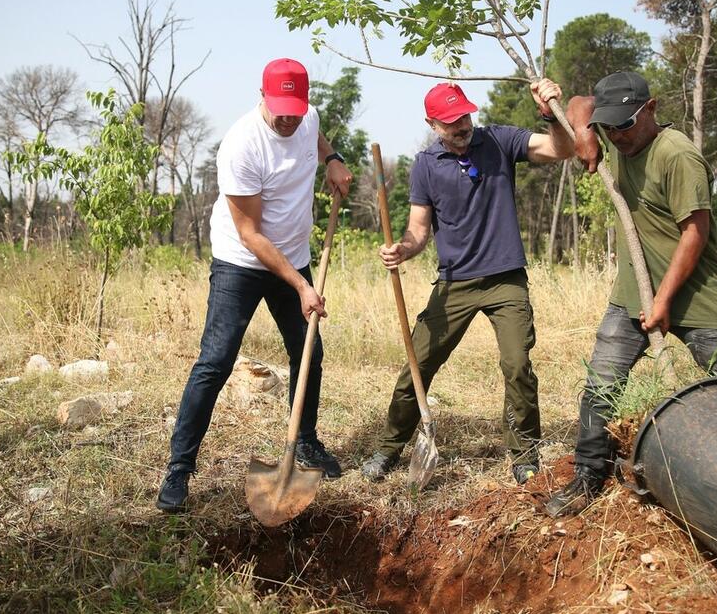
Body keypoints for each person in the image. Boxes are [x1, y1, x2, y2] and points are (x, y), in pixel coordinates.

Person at [545, 71, 717, 517]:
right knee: (601, 385)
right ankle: (587, 477)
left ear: (652, 108)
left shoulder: (677, 156)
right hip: (630, 295)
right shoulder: (611, 131)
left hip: (696, 297)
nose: (617, 135)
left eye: (626, 125)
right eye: (609, 126)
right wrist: (584, 133)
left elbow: (694, 235)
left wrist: (663, 301)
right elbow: (578, 102)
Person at [156, 58, 353, 512]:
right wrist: (301, 286)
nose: (288, 117)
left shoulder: (307, 118)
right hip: (241, 260)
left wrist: (333, 159)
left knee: (309, 351)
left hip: (294, 256)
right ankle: (180, 468)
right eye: (279, 107)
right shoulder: (241, 145)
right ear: (260, 96)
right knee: (216, 360)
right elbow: (251, 234)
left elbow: (317, 137)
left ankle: (304, 442)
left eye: (296, 108)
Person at [360, 79, 574, 484]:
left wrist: (549, 113)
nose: (461, 126)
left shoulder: (500, 141)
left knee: (517, 364)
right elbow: (418, 231)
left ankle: (525, 454)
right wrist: (402, 250)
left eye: (464, 116)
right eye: (450, 121)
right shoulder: (425, 165)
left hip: (505, 278)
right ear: (432, 124)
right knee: (417, 366)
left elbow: (562, 149)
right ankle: (388, 449)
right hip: (454, 281)